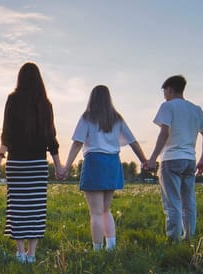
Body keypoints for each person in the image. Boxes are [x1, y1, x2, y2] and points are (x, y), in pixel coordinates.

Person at [0, 62, 62, 264]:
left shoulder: (13, 100)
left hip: (17, 164)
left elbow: (7, 133)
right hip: (37, 165)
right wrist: (58, 164)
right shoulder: (45, 104)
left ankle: (20, 253)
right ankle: (32, 253)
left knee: (18, 207)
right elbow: (50, 137)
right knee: (36, 208)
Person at [62, 85, 147, 251]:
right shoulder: (117, 118)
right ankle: (111, 247)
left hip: (95, 162)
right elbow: (133, 141)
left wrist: (66, 166)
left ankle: (97, 250)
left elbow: (77, 143)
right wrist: (144, 160)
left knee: (95, 212)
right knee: (106, 210)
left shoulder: (87, 117)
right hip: (113, 163)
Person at [145, 75, 203, 242]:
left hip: (171, 159)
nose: (164, 95)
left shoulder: (167, 106)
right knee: (188, 202)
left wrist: (153, 158)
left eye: (164, 92)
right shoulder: (196, 109)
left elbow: (164, 132)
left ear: (169, 89)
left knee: (172, 202)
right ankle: (188, 237)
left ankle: (173, 241)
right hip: (190, 160)